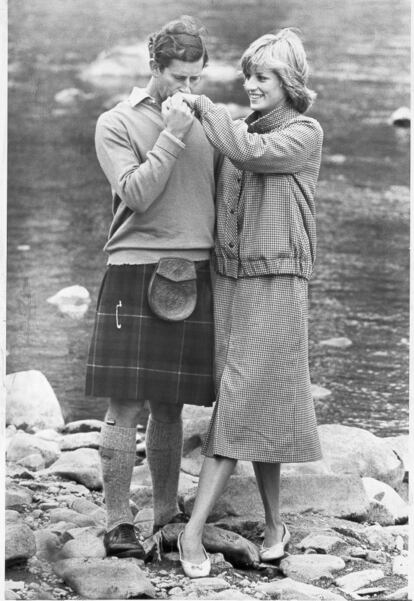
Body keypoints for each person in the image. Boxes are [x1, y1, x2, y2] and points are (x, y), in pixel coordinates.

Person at [176, 28, 324, 577]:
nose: (252, 84)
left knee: (238, 403)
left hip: (278, 282)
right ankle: (274, 525)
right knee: (257, 400)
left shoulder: (303, 133)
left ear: (289, 82)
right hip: (231, 280)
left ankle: (192, 535)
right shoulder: (237, 132)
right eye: (250, 75)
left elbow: (247, 151)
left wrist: (203, 106)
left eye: (263, 76)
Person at [85, 15, 219, 559]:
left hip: (195, 268)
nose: (187, 89)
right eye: (178, 78)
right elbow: (136, 195)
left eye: (196, 78)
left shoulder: (213, 120)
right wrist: (171, 133)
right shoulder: (114, 122)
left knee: (171, 408)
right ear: (154, 68)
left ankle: (167, 517)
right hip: (134, 268)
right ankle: (118, 521)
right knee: (124, 405)